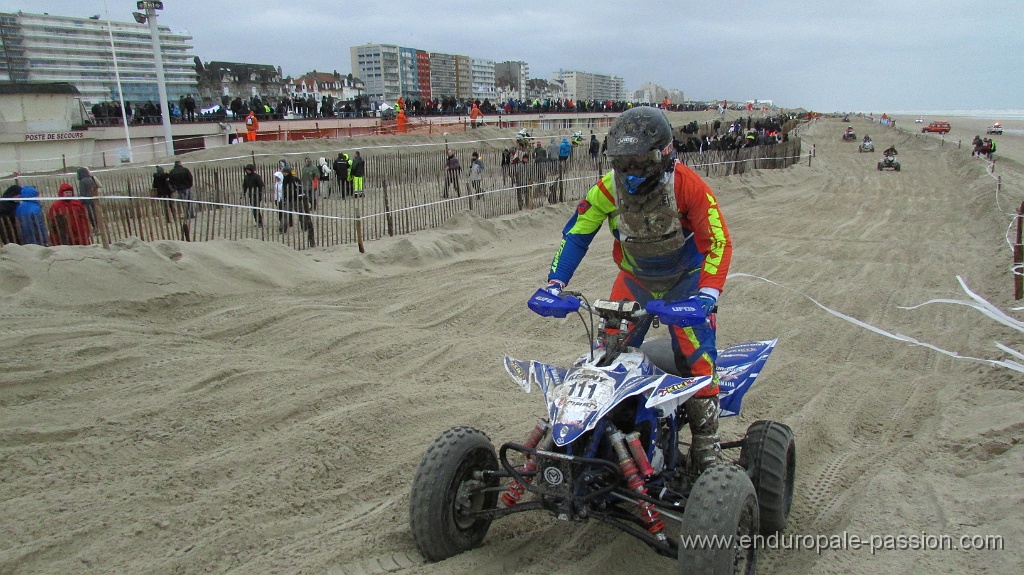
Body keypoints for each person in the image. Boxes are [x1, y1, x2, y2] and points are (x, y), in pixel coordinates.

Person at [537, 106, 732, 474]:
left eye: (640, 159)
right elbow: (577, 233)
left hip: (685, 281)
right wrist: (554, 284)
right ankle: (605, 430)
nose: (631, 169)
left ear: (663, 154)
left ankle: (707, 443)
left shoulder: (687, 186)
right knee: (606, 354)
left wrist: (707, 295)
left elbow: (718, 242)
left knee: (696, 355)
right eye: (623, 160)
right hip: (636, 279)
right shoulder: (607, 188)